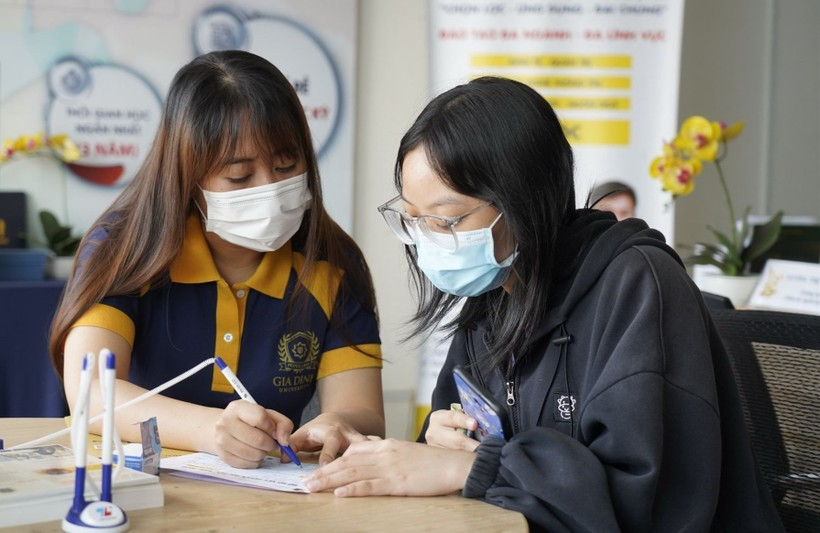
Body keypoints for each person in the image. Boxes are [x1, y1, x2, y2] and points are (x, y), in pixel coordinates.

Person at [304, 77, 783, 532]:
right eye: (414, 220)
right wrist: (441, 440)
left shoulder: (638, 287)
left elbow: (644, 498)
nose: (429, 241)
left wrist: (474, 467)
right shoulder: (494, 289)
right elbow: (458, 428)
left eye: (446, 221)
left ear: (523, 200)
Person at [49, 50, 384, 469]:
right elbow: (92, 392)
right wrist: (210, 431)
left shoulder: (332, 262)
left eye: (287, 165)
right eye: (239, 176)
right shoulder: (125, 248)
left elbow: (365, 412)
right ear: (187, 174)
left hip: (273, 490)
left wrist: (339, 423)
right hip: (141, 486)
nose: (269, 189)